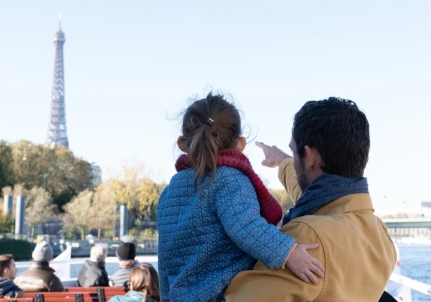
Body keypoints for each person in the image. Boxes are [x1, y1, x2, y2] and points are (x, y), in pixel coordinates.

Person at [224, 97, 397, 301]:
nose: (294, 161)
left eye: (294, 152)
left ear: (310, 157)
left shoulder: (308, 237)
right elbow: (315, 197)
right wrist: (282, 161)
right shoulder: (380, 236)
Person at [157, 93, 324, 302]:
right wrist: (289, 252)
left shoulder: (169, 191)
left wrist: (165, 294)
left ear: (182, 143)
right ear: (240, 143)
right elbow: (245, 225)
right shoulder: (230, 179)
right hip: (221, 293)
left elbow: (165, 252)